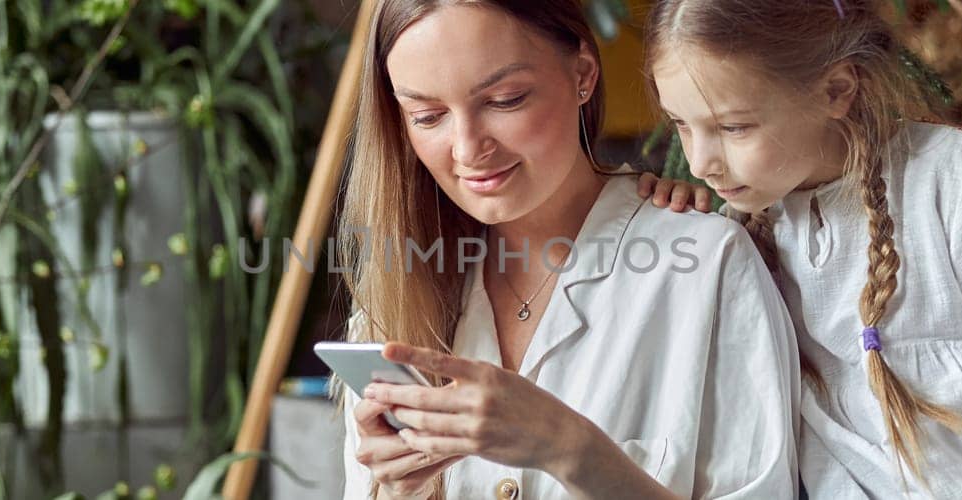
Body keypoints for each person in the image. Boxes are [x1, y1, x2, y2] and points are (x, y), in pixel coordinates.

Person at [636, 0, 962, 497]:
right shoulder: (749, 230)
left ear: (835, 90)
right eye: (681, 125)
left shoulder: (957, 182)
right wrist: (682, 226)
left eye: (732, 127)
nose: (701, 161)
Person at [336, 1, 801, 498]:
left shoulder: (704, 266)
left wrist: (567, 448)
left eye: (505, 99)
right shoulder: (393, 306)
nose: (469, 150)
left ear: (582, 74)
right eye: (428, 116)